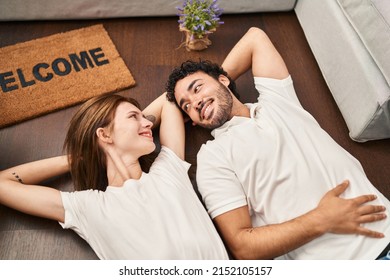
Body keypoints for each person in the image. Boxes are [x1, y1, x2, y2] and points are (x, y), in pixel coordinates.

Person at [166, 27, 390, 260]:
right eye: (186, 106)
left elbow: (255, 37)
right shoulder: (212, 157)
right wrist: (320, 220)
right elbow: (243, 247)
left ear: (224, 79)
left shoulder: (278, 101)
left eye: (197, 88)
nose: (196, 102)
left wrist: (211, 84)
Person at [0, 93, 228, 260]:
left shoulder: (169, 170)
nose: (148, 121)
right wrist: (82, 156)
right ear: (104, 134)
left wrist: (137, 127)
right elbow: (3, 184)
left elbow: (170, 97)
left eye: (145, 117)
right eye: (133, 117)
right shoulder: (88, 207)